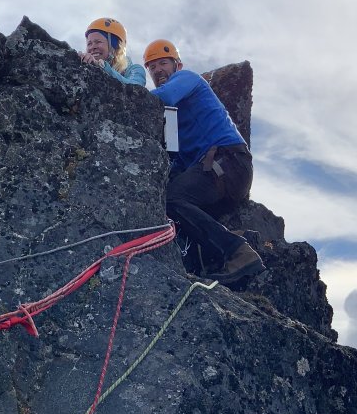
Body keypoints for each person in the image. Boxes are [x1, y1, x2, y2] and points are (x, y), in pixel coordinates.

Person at [143, 39, 263, 284]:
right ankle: (215, 260)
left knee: (174, 199)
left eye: (163, 63)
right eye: (151, 68)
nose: (157, 71)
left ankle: (238, 251)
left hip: (228, 161)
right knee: (177, 204)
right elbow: (180, 162)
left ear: (177, 65)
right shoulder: (177, 119)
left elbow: (161, 97)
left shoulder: (188, 78)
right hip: (222, 169)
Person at [80, 18, 146, 86]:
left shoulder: (134, 69)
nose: (92, 47)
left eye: (98, 42)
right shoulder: (84, 67)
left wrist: (102, 66)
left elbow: (136, 87)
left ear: (115, 47)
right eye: (89, 44)